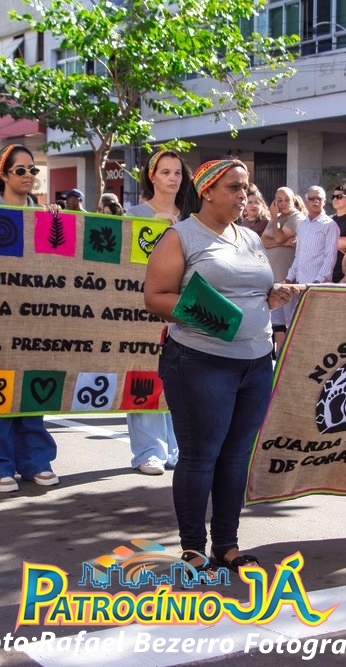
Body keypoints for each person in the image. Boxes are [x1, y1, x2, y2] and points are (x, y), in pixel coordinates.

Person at [143, 158, 299, 571]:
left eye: (246, 187)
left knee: (236, 457)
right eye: (233, 187)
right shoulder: (180, 237)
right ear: (207, 191)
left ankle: (226, 546)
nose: (243, 195)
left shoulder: (249, 236)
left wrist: (273, 296)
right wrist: (216, 319)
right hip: (199, 363)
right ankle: (194, 547)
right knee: (201, 456)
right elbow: (156, 296)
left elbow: (254, 290)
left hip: (256, 363)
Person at [0, 144, 60, 490]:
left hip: (35, 317)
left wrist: (57, 218)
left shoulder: (44, 214)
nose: (28, 176)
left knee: (32, 388)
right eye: (20, 170)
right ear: (3, 174)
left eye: (33, 170)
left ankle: (35, 461)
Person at [124, 148, 200, 475]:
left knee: (180, 379)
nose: (172, 178)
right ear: (151, 176)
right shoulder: (133, 214)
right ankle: (148, 451)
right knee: (144, 376)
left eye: (177, 172)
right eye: (165, 172)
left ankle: (176, 448)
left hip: (182, 308)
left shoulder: (193, 217)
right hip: (141, 310)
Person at [282, 185, 337, 322]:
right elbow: (299, 255)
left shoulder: (329, 224)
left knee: (318, 322)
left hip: (318, 286)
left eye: (319, 198)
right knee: (302, 322)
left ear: (324, 201)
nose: (315, 201)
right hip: (301, 284)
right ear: (306, 201)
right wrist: (289, 277)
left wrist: (318, 282)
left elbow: (330, 257)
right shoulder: (302, 224)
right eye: (312, 198)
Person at [261, 187, 303, 352]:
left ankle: (292, 356)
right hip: (274, 278)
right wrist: (281, 242)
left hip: (288, 279)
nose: (283, 203)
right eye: (279, 200)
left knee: (291, 322)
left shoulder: (296, 217)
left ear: (293, 201)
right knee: (277, 324)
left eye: (286, 200)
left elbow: (277, 236)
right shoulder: (276, 219)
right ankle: (279, 356)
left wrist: (274, 220)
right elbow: (264, 241)